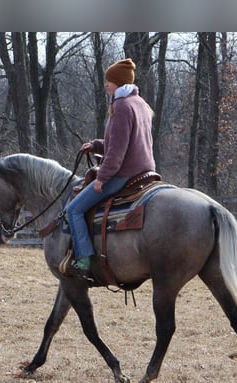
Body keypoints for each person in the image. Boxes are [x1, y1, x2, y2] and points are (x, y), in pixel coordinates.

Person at [64, 57, 156, 279]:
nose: (106, 84)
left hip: (124, 173)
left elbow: (117, 153)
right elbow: (126, 142)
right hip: (145, 170)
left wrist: (101, 179)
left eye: (109, 81)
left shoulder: (121, 106)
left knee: (73, 210)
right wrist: (96, 145)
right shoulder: (140, 104)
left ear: (119, 82)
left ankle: (84, 258)